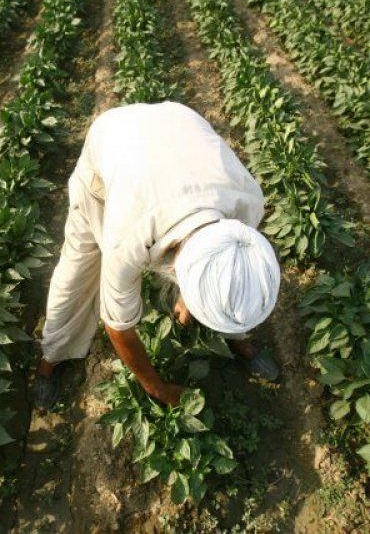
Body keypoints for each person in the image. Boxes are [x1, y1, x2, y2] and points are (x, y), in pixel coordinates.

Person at [32, 101, 281, 409]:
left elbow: (226, 261)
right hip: (113, 143)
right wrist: (157, 388)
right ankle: (51, 358)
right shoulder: (128, 238)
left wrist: (191, 298)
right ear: (176, 267)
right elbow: (118, 326)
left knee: (235, 282)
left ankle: (239, 339)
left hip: (176, 126)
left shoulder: (247, 203)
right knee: (77, 272)